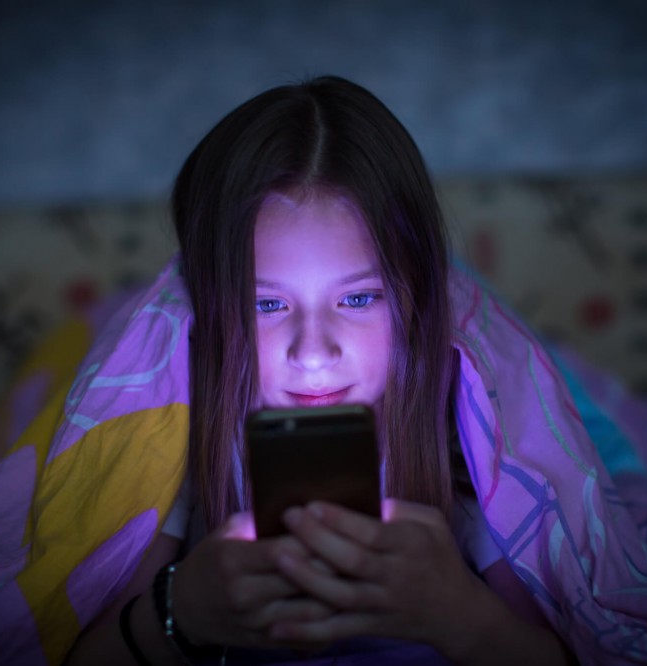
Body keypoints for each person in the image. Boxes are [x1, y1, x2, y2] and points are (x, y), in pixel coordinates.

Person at [64, 76, 573, 665]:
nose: (313, 352)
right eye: (265, 304)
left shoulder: (466, 452)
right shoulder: (178, 455)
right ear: (209, 313)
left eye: (359, 299)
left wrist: (458, 612)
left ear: (415, 302)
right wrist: (184, 610)